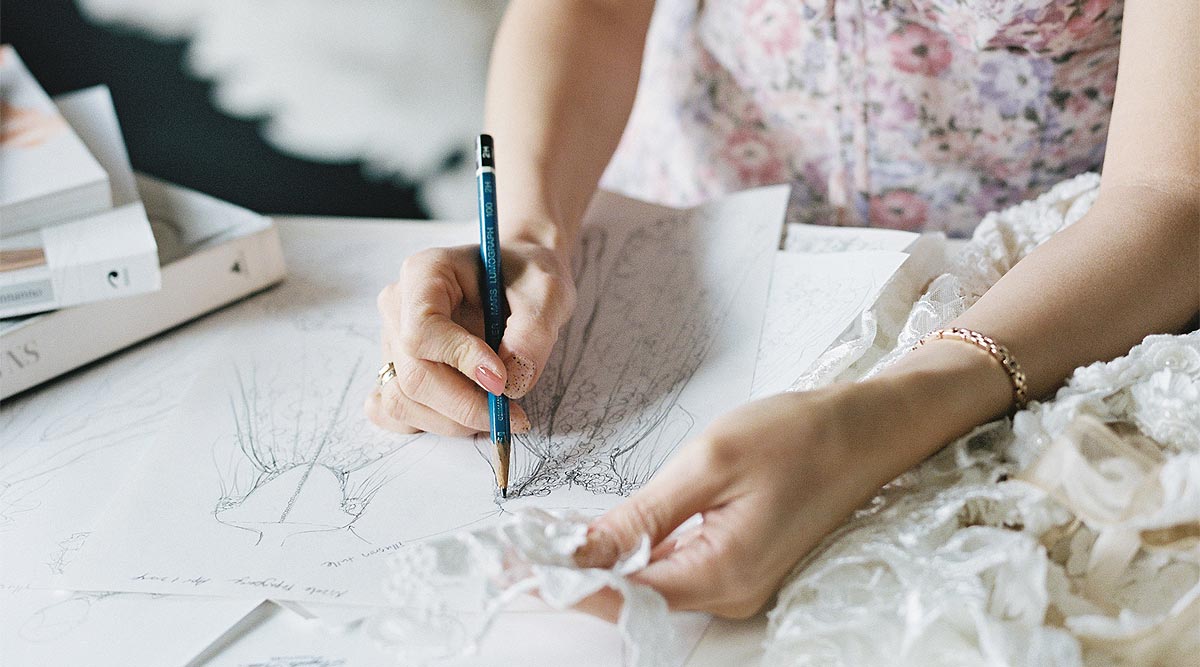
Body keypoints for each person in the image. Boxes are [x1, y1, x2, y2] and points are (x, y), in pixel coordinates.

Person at [367, 0, 1198, 618]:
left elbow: (1172, 193)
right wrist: (529, 235)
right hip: (689, 251)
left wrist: (873, 419)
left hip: (1054, 313)